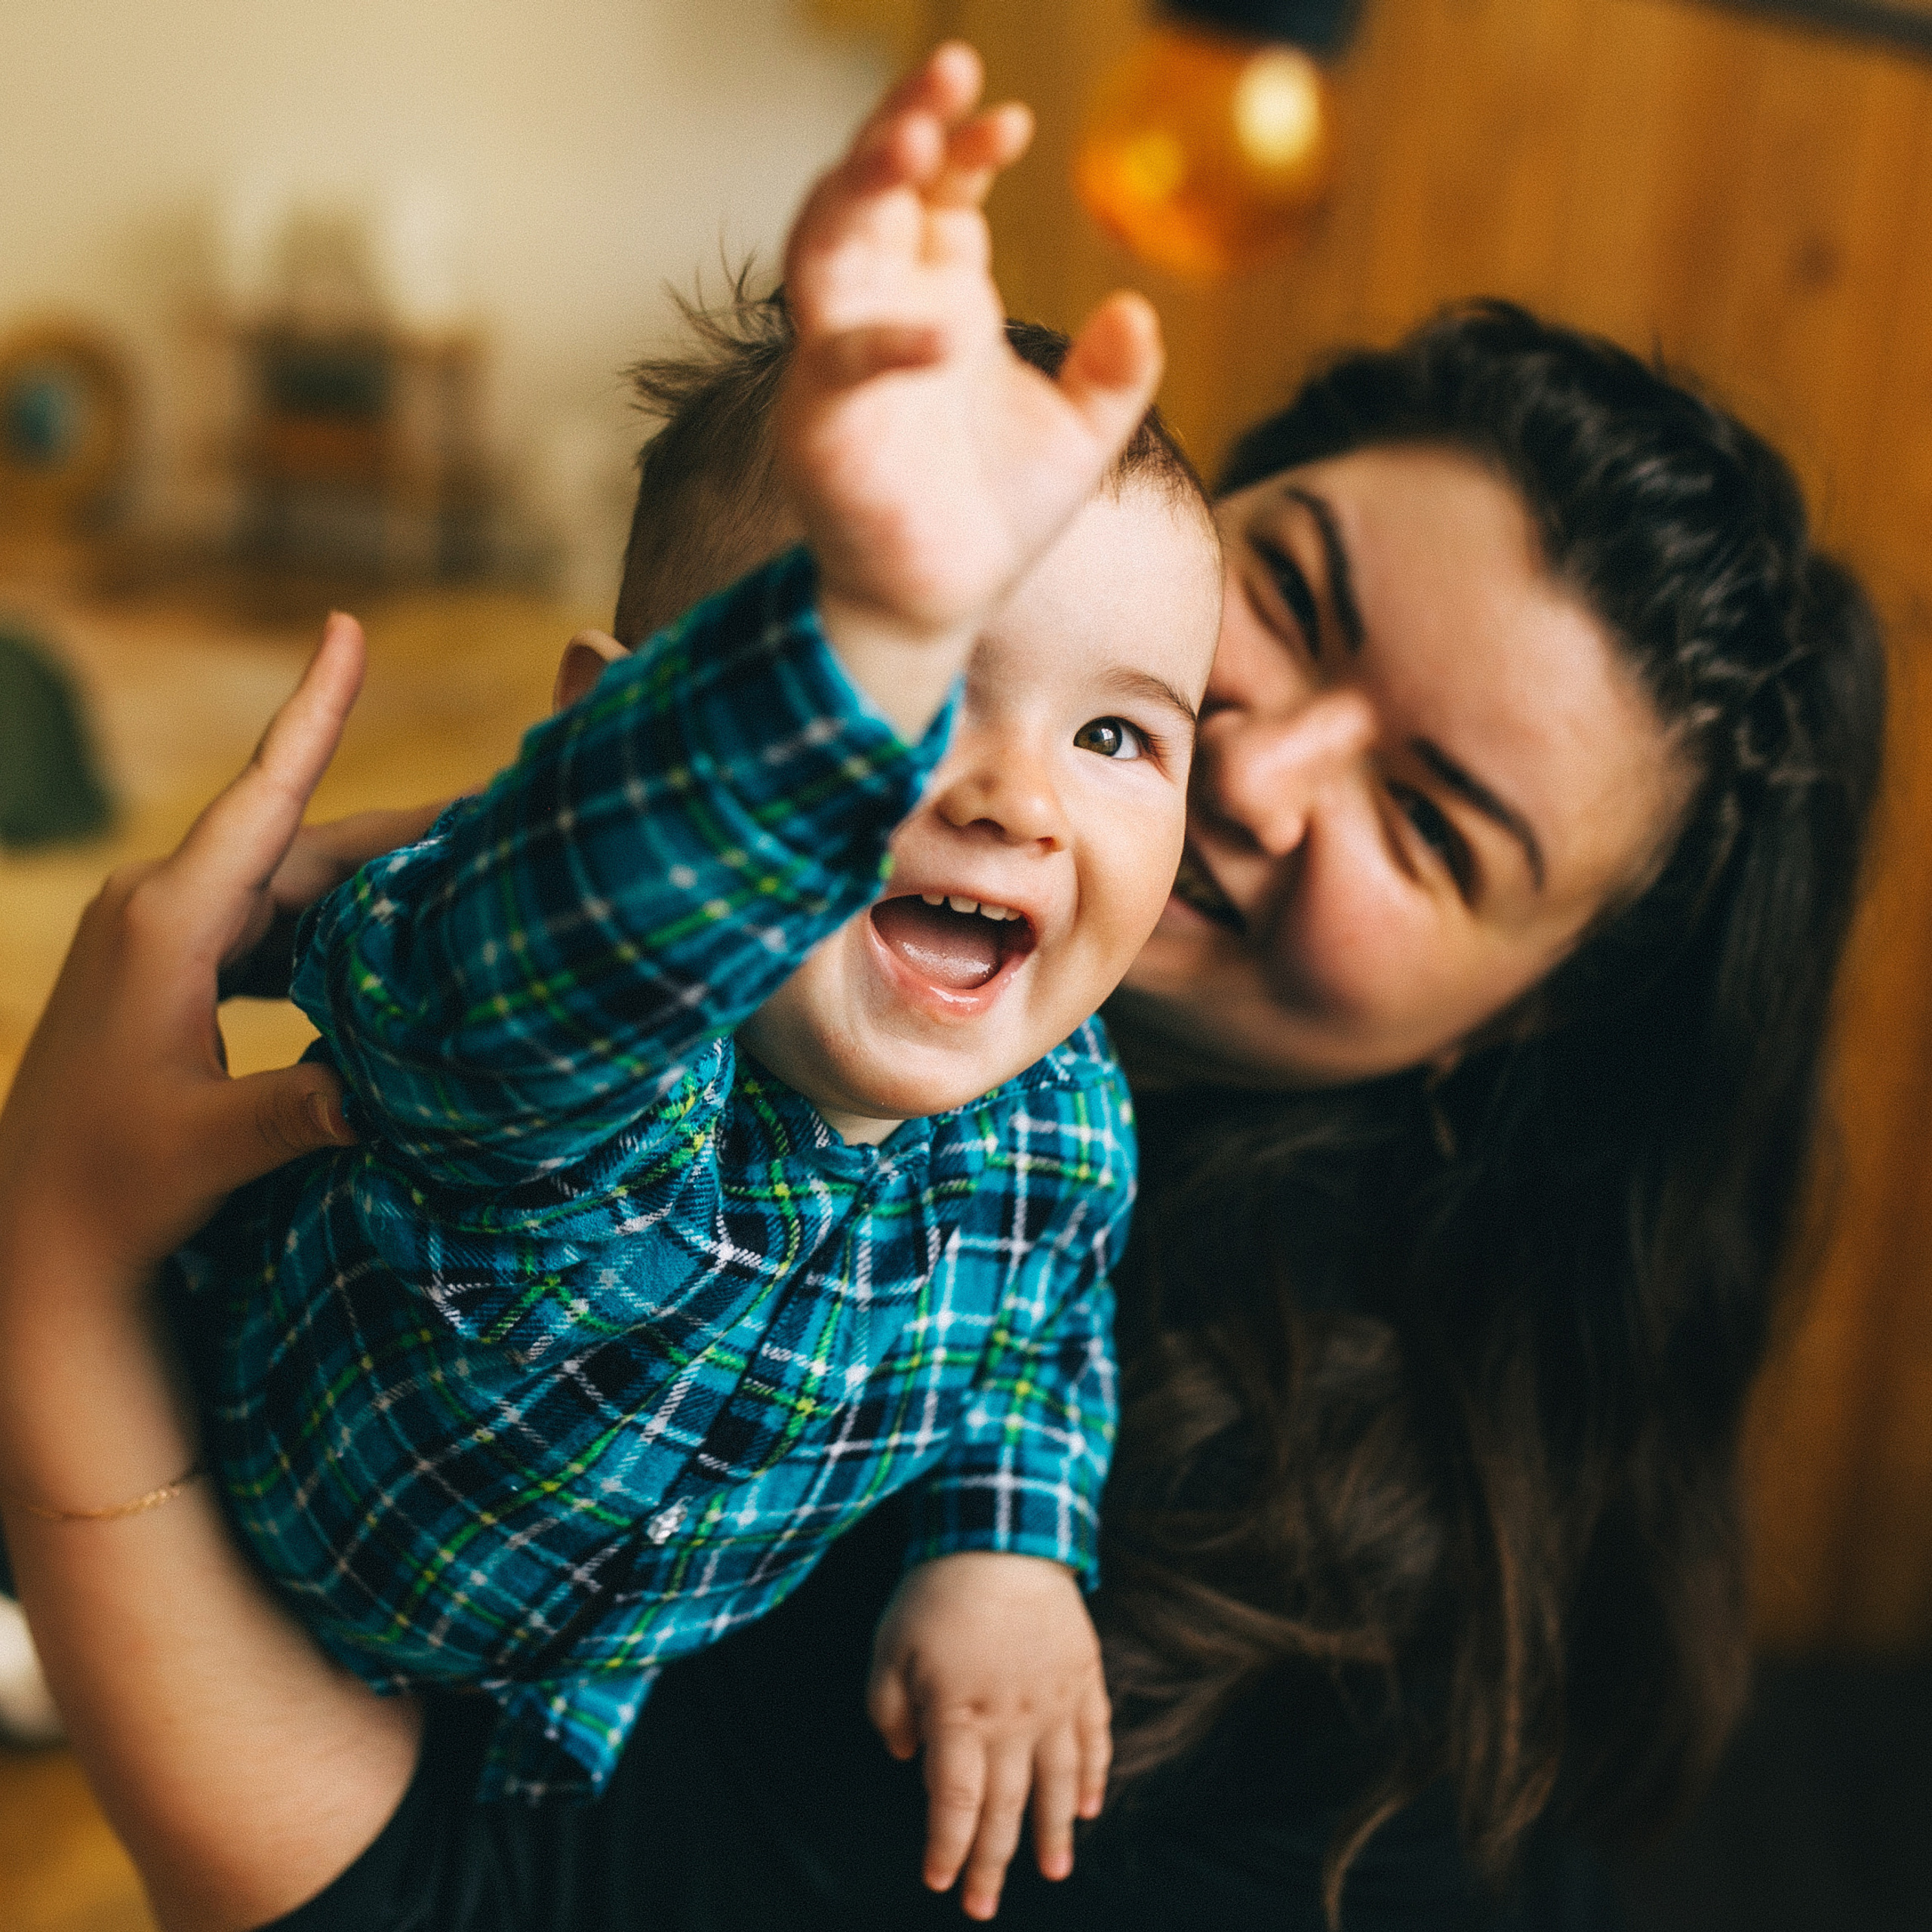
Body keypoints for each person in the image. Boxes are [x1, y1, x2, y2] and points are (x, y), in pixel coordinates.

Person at [0, 39, 1887, 1932]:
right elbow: (553, 984)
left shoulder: (1279, 1546)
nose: (1250, 764)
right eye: (1288, 598)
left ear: (1525, 1015)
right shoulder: (661, 999)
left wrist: (59, 1267)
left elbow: (1011, 1350)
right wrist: (775, 719)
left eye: (1429, 821)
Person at [166, 40, 1220, 1912]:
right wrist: (809, 703)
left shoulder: (1061, 1127)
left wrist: (1002, 1547)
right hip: (202, 1512)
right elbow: (566, 932)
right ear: (611, 728)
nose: (1012, 797)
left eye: (1121, 737)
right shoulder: (584, 1049)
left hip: (521, 1708)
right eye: (906, 683)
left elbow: (1029, 1347)